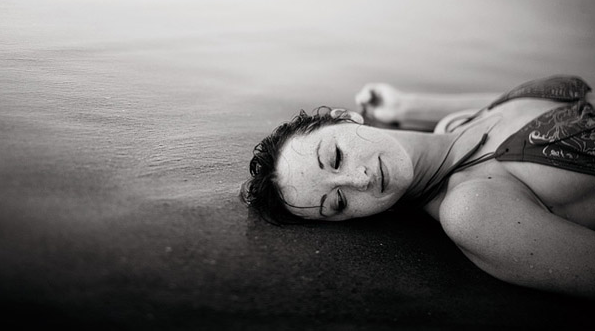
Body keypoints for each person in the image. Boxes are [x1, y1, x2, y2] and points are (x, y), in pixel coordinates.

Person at [242, 75, 595, 298]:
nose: (359, 180)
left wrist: (406, 105)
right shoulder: (472, 210)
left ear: (346, 118)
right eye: (338, 202)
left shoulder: (453, 124)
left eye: (335, 158)